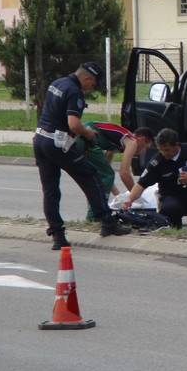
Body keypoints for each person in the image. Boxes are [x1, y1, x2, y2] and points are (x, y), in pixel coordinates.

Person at [33, 61, 131, 249]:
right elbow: (73, 124)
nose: (91, 88)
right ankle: (107, 222)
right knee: (91, 175)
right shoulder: (74, 91)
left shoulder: (57, 83)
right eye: (92, 84)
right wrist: (87, 132)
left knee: (50, 189)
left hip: (40, 140)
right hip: (57, 143)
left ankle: (57, 235)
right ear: (86, 78)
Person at [122, 128, 187, 233]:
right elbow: (140, 185)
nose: (163, 153)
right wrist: (129, 200)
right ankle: (175, 231)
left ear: (176, 145)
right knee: (170, 208)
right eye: (160, 150)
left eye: (166, 150)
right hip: (173, 197)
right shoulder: (157, 162)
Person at [77, 123, 155, 221]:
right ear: (142, 139)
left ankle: (93, 215)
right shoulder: (132, 141)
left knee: (97, 177)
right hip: (88, 137)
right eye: (146, 148)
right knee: (106, 175)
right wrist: (135, 197)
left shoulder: (118, 142)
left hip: (82, 137)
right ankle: (95, 216)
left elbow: (105, 172)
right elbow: (124, 173)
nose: (143, 152)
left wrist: (119, 196)